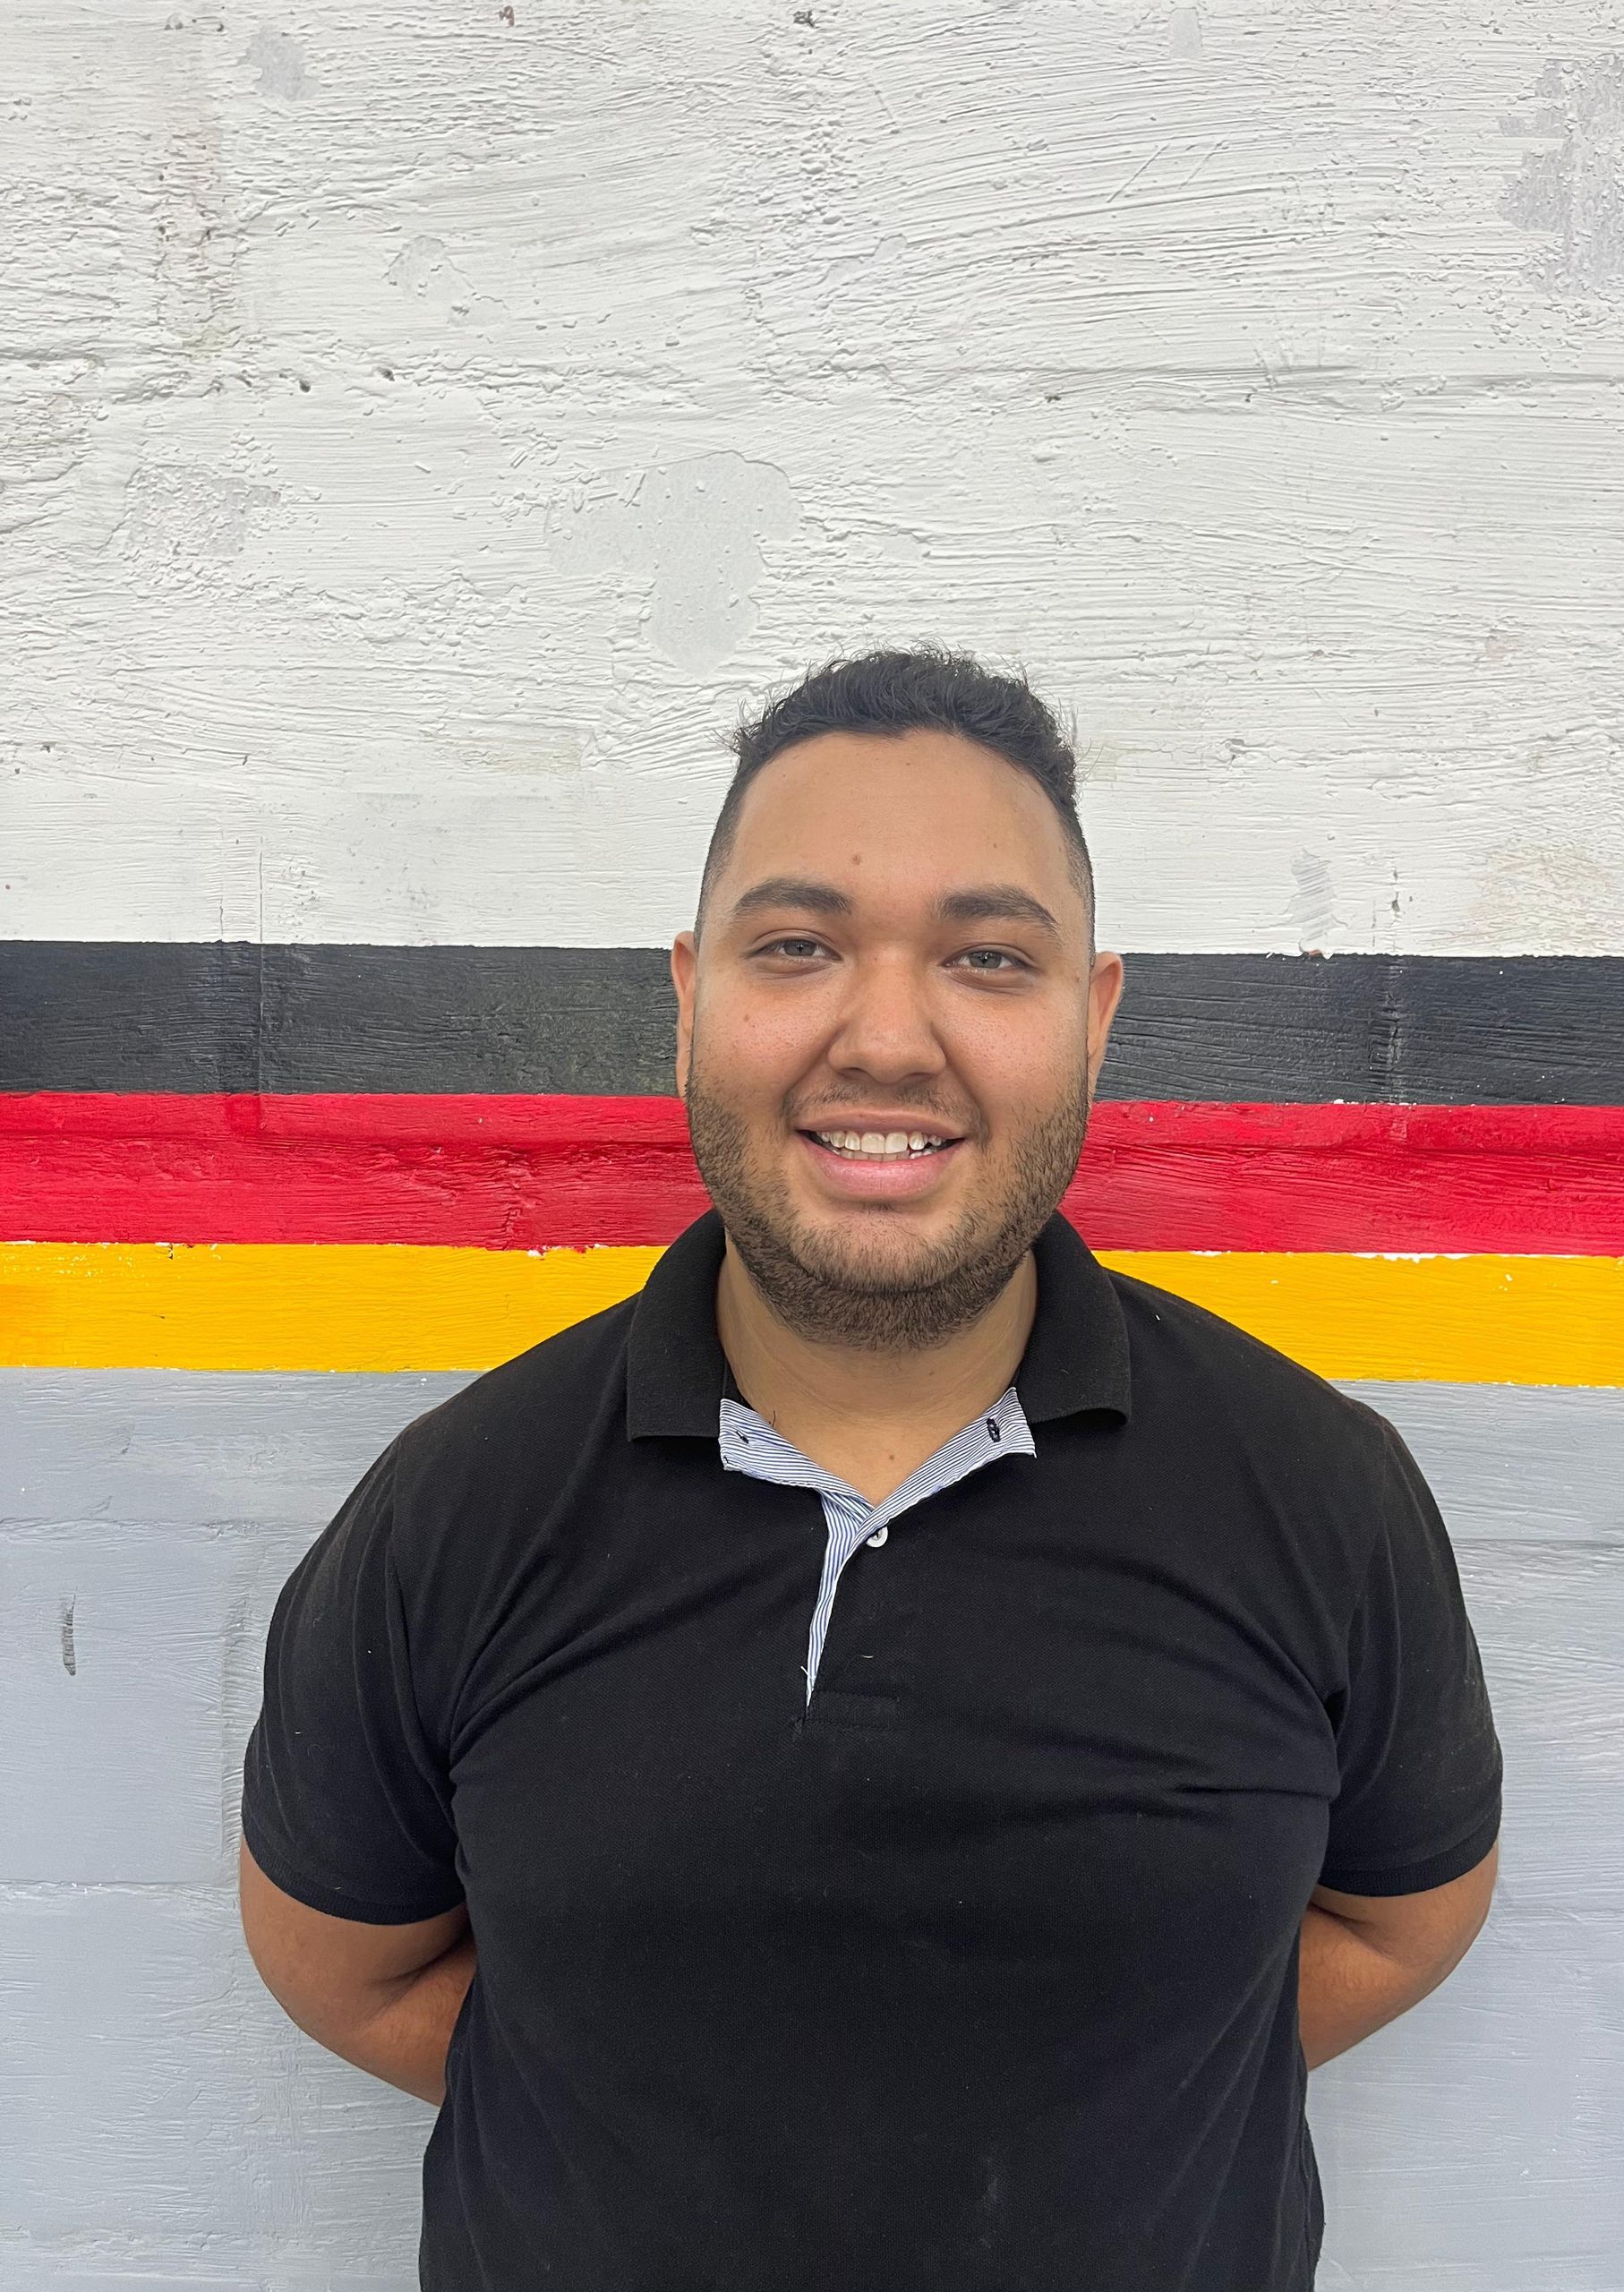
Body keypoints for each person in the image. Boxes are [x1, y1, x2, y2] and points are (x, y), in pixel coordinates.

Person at [239, 643, 1503, 2291]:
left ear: (1094, 1016)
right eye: (798, 947)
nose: (887, 1036)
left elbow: (1406, 1915)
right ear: (691, 997)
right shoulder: (457, 1509)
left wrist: (1103, 2092)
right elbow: (347, 1970)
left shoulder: (1319, 1493)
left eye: (988, 956)